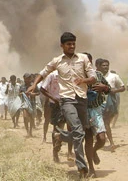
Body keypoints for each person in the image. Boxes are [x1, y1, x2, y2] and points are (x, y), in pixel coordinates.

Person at [27, 32, 96, 179]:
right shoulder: (57, 61)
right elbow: (43, 73)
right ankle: (82, 167)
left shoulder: (83, 58)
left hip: (82, 98)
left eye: (73, 43)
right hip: (66, 100)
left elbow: (93, 76)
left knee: (83, 131)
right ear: (62, 46)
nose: (72, 46)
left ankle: (62, 135)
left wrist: (84, 80)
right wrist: (34, 85)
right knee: (78, 131)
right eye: (68, 44)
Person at [85, 57, 111, 178]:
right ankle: (91, 168)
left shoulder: (99, 75)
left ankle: (94, 151)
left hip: (95, 110)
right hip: (82, 110)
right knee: (88, 139)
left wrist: (104, 88)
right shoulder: (74, 76)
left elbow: (108, 89)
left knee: (101, 139)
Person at [40, 71, 74, 162]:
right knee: (58, 129)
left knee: (71, 128)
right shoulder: (52, 75)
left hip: (69, 103)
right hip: (56, 105)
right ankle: (55, 151)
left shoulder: (71, 73)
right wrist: (53, 98)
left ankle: (70, 152)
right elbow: (42, 89)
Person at [100, 59, 126, 151]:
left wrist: (115, 91)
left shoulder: (114, 76)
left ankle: (111, 142)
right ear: (98, 66)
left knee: (106, 122)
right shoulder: (95, 77)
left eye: (107, 65)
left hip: (109, 103)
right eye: (103, 65)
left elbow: (123, 87)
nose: (105, 67)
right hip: (97, 104)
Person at [20, 73, 39, 137]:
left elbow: (38, 92)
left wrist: (33, 94)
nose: (27, 80)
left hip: (32, 102)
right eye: (26, 79)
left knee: (31, 118)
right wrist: (23, 94)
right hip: (25, 103)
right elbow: (19, 93)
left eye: (28, 78)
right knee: (25, 117)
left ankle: (30, 131)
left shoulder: (34, 86)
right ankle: (27, 131)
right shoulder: (22, 86)